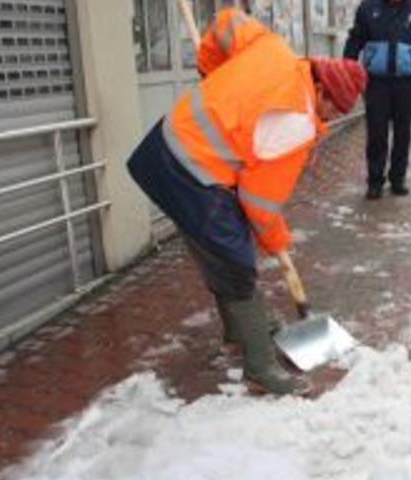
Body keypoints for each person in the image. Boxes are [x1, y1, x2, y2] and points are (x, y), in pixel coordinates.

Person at [126, 8, 367, 395]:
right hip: (191, 172)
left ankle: (241, 329)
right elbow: (259, 203)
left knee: (219, 246)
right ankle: (261, 367)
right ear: (320, 89)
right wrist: (277, 242)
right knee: (236, 262)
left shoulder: (274, 49)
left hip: (162, 146)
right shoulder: (297, 120)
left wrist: (213, 70)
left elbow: (226, 22)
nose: (330, 116)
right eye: (332, 108)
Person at [343, 0, 411, 200]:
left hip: (405, 83)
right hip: (376, 83)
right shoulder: (368, 8)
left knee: (402, 133)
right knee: (377, 133)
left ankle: (398, 179)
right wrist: (347, 68)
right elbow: (355, 40)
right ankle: (375, 181)